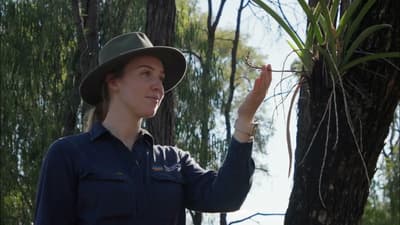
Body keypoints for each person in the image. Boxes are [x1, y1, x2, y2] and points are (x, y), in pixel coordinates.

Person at [34, 32, 272, 225]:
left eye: (160, 77)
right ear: (113, 81)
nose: (158, 86)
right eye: (146, 73)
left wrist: (245, 119)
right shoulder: (68, 155)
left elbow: (226, 196)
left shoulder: (174, 160)